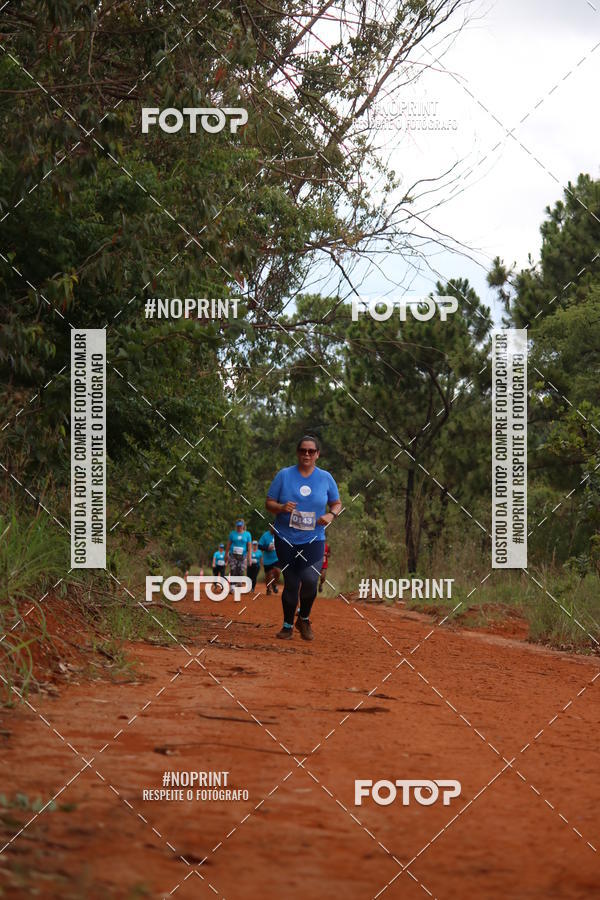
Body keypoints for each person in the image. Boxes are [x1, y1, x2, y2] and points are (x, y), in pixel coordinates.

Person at [266, 435, 341, 641]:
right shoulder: (284, 475)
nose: (306, 454)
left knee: (310, 580)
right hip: (286, 538)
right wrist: (281, 507)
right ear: (297, 453)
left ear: (317, 454)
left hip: (314, 539)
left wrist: (331, 515)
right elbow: (269, 503)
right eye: (303, 450)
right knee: (291, 582)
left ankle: (304, 619)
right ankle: (287, 626)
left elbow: (336, 503)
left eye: (311, 451)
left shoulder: (325, 478)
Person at [225, 519, 252, 591]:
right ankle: (232, 586)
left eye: (240, 526)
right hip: (233, 555)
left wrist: (249, 557)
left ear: (243, 526)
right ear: (236, 526)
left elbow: (249, 546)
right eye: (238, 526)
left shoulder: (247, 534)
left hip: (243, 556)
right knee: (233, 569)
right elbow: (228, 545)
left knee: (241, 570)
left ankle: (238, 581)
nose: (239, 527)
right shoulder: (232, 534)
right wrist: (226, 554)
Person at [258, 524, 280, 594]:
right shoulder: (265, 535)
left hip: (276, 558)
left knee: (277, 571)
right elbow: (259, 546)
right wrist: (267, 548)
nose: (274, 529)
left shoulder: (279, 535)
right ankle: (268, 589)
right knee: (268, 575)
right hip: (267, 560)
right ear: (270, 527)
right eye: (273, 527)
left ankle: (274, 584)